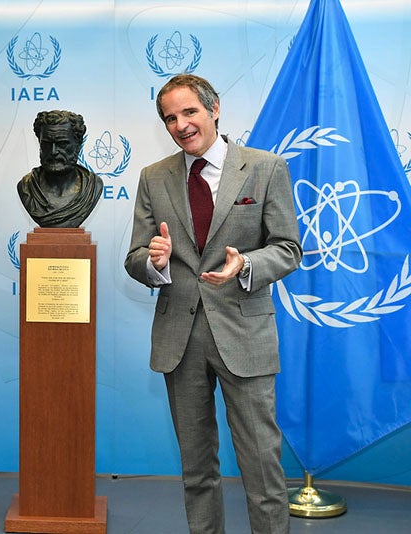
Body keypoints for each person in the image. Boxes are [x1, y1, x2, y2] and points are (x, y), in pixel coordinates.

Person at [124, 74, 302, 533]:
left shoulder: (265, 168)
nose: (180, 125)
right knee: (197, 471)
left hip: (244, 335)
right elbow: (136, 257)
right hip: (179, 342)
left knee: (262, 467)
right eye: (170, 118)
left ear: (214, 109)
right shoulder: (153, 177)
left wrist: (245, 264)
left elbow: (287, 248)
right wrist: (155, 262)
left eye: (189, 112)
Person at [17, 110, 104, 227]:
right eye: (47, 144)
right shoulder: (27, 187)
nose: (53, 152)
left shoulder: (92, 186)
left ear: (78, 145)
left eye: (62, 144)